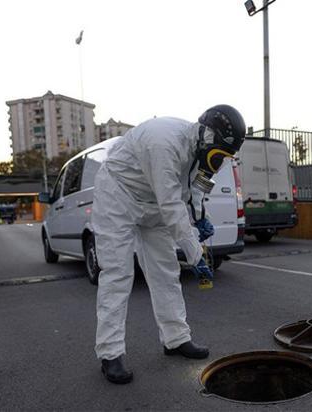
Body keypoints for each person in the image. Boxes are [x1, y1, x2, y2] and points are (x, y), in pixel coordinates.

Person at [92, 105, 246, 384]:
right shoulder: (162, 141)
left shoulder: (207, 153)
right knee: (117, 274)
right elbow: (172, 205)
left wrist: (201, 218)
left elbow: (197, 189)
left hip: (153, 205)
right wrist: (196, 254)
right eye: (220, 154)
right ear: (208, 136)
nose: (220, 161)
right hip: (119, 196)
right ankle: (110, 353)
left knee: (166, 273)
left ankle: (176, 339)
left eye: (225, 156)